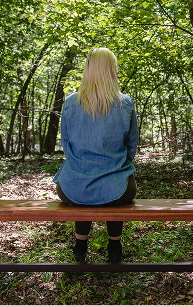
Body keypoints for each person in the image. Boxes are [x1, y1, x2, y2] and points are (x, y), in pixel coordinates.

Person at [53, 47, 139, 264]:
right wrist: (117, 166)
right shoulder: (124, 103)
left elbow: (66, 143)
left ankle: (80, 245)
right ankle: (114, 245)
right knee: (114, 189)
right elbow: (131, 146)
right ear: (111, 70)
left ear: (88, 69)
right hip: (119, 189)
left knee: (85, 192)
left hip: (72, 187)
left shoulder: (71, 102)